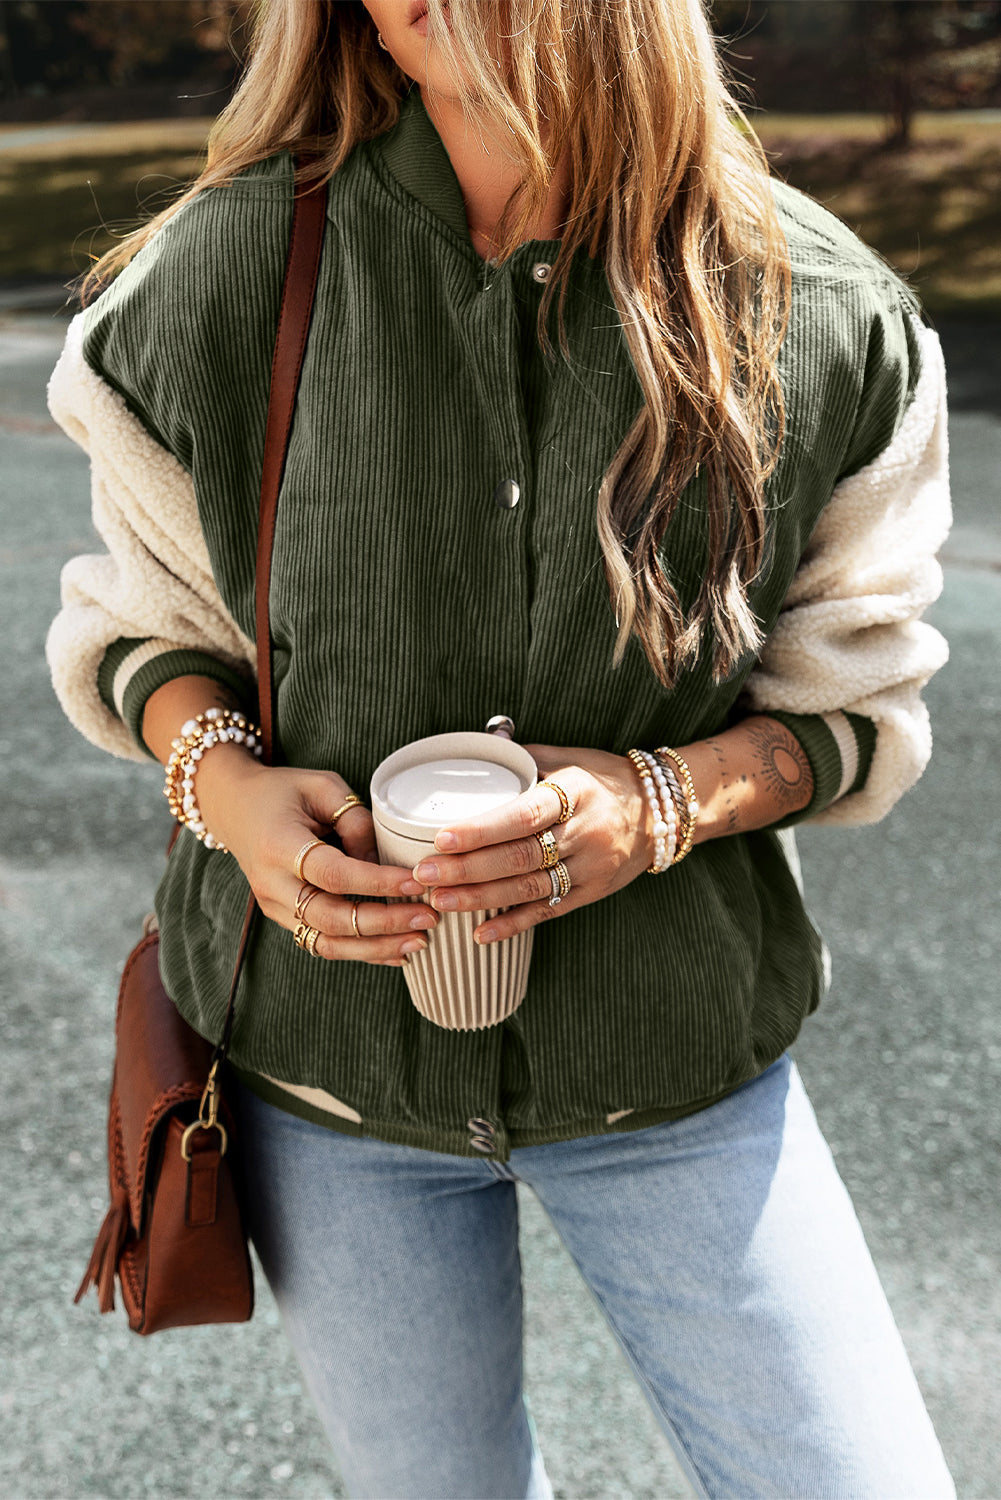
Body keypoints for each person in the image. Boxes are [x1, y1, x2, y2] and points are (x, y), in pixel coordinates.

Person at [46, 0, 957, 1495]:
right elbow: (149, 631)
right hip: (323, 1081)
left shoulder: (814, 307)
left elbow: (850, 714)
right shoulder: (220, 275)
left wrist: (663, 802)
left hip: (671, 1074)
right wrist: (236, 795)